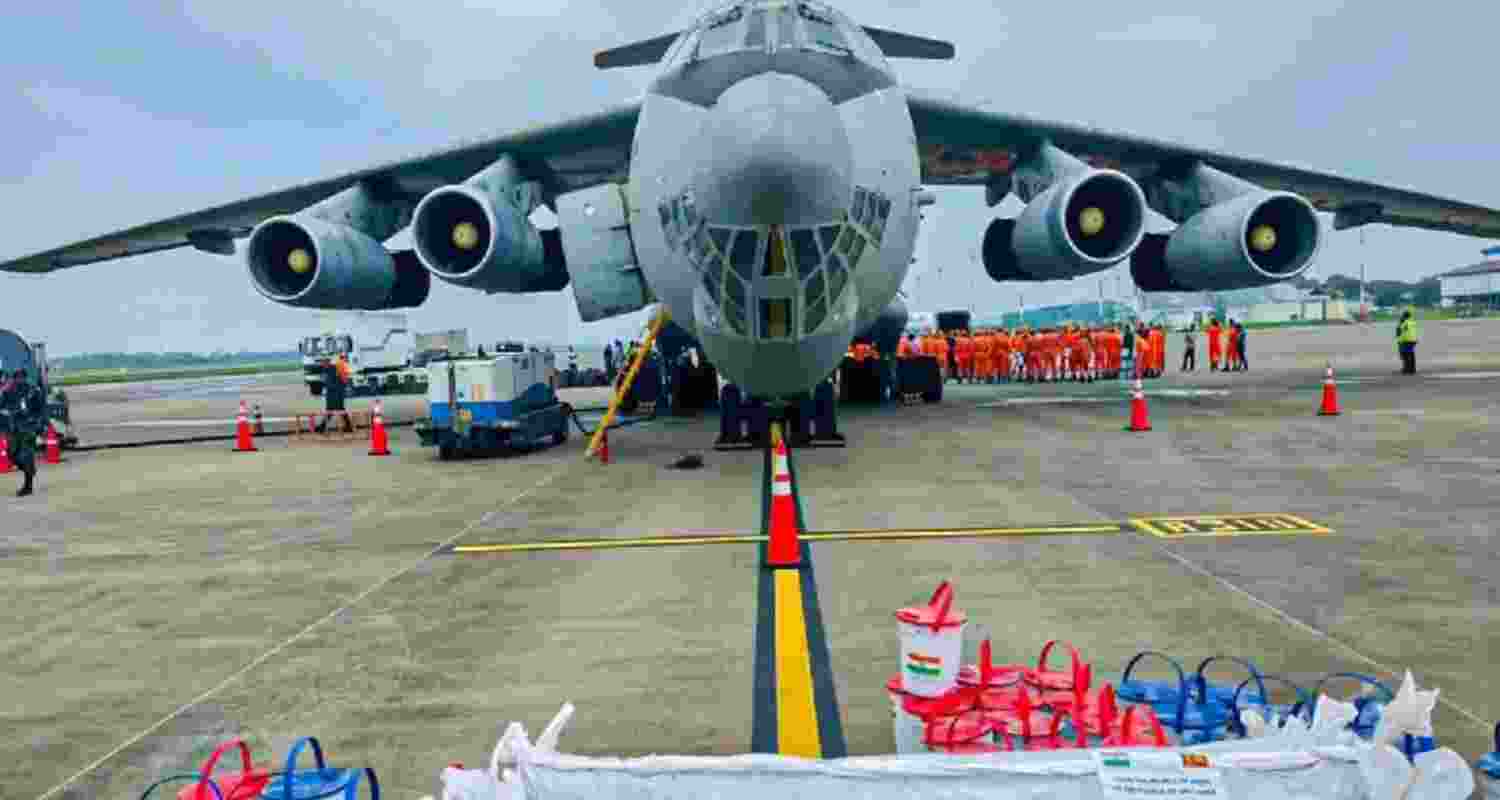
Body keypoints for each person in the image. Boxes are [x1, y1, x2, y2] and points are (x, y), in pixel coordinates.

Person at [2, 368, 45, 496]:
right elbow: (2, 406)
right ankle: (28, 469)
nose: (20, 379)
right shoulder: (8, 390)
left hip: (29, 427)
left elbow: (41, 409)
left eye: (22, 377)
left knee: (27, 455)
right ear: (14, 378)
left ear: (25, 377)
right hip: (14, 427)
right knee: (11, 454)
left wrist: (40, 424)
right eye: (17, 377)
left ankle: (28, 486)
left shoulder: (32, 390)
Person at [316, 358, 353, 433]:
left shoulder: (333, 369)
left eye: (323, 362)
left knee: (333, 410)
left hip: (335, 393)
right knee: (338, 410)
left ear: (327, 362)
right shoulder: (327, 369)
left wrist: (329, 386)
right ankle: (348, 427)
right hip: (333, 393)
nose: (321, 364)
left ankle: (322, 427)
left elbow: (334, 382)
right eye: (321, 362)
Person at [1396, 309, 1419, 374]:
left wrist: (1400, 323)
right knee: (1411, 355)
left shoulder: (1404, 322)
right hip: (1413, 340)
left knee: (1405, 355)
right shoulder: (1412, 322)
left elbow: (1398, 331)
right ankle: (1412, 369)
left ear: (1404, 316)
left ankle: (1406, 369)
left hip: (1406, 340)